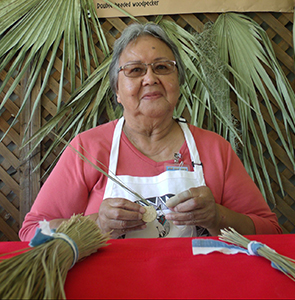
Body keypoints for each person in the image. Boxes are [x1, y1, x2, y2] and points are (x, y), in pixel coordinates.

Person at [19, 22, 281, 241]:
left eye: (163, 67)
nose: (150, 78)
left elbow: (271, 232)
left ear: (177, 84)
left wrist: (217, 217)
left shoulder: (214, 149)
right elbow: (32, 233)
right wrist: (96, 223)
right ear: (117, 91)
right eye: (135, 70)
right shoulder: (88, 148)